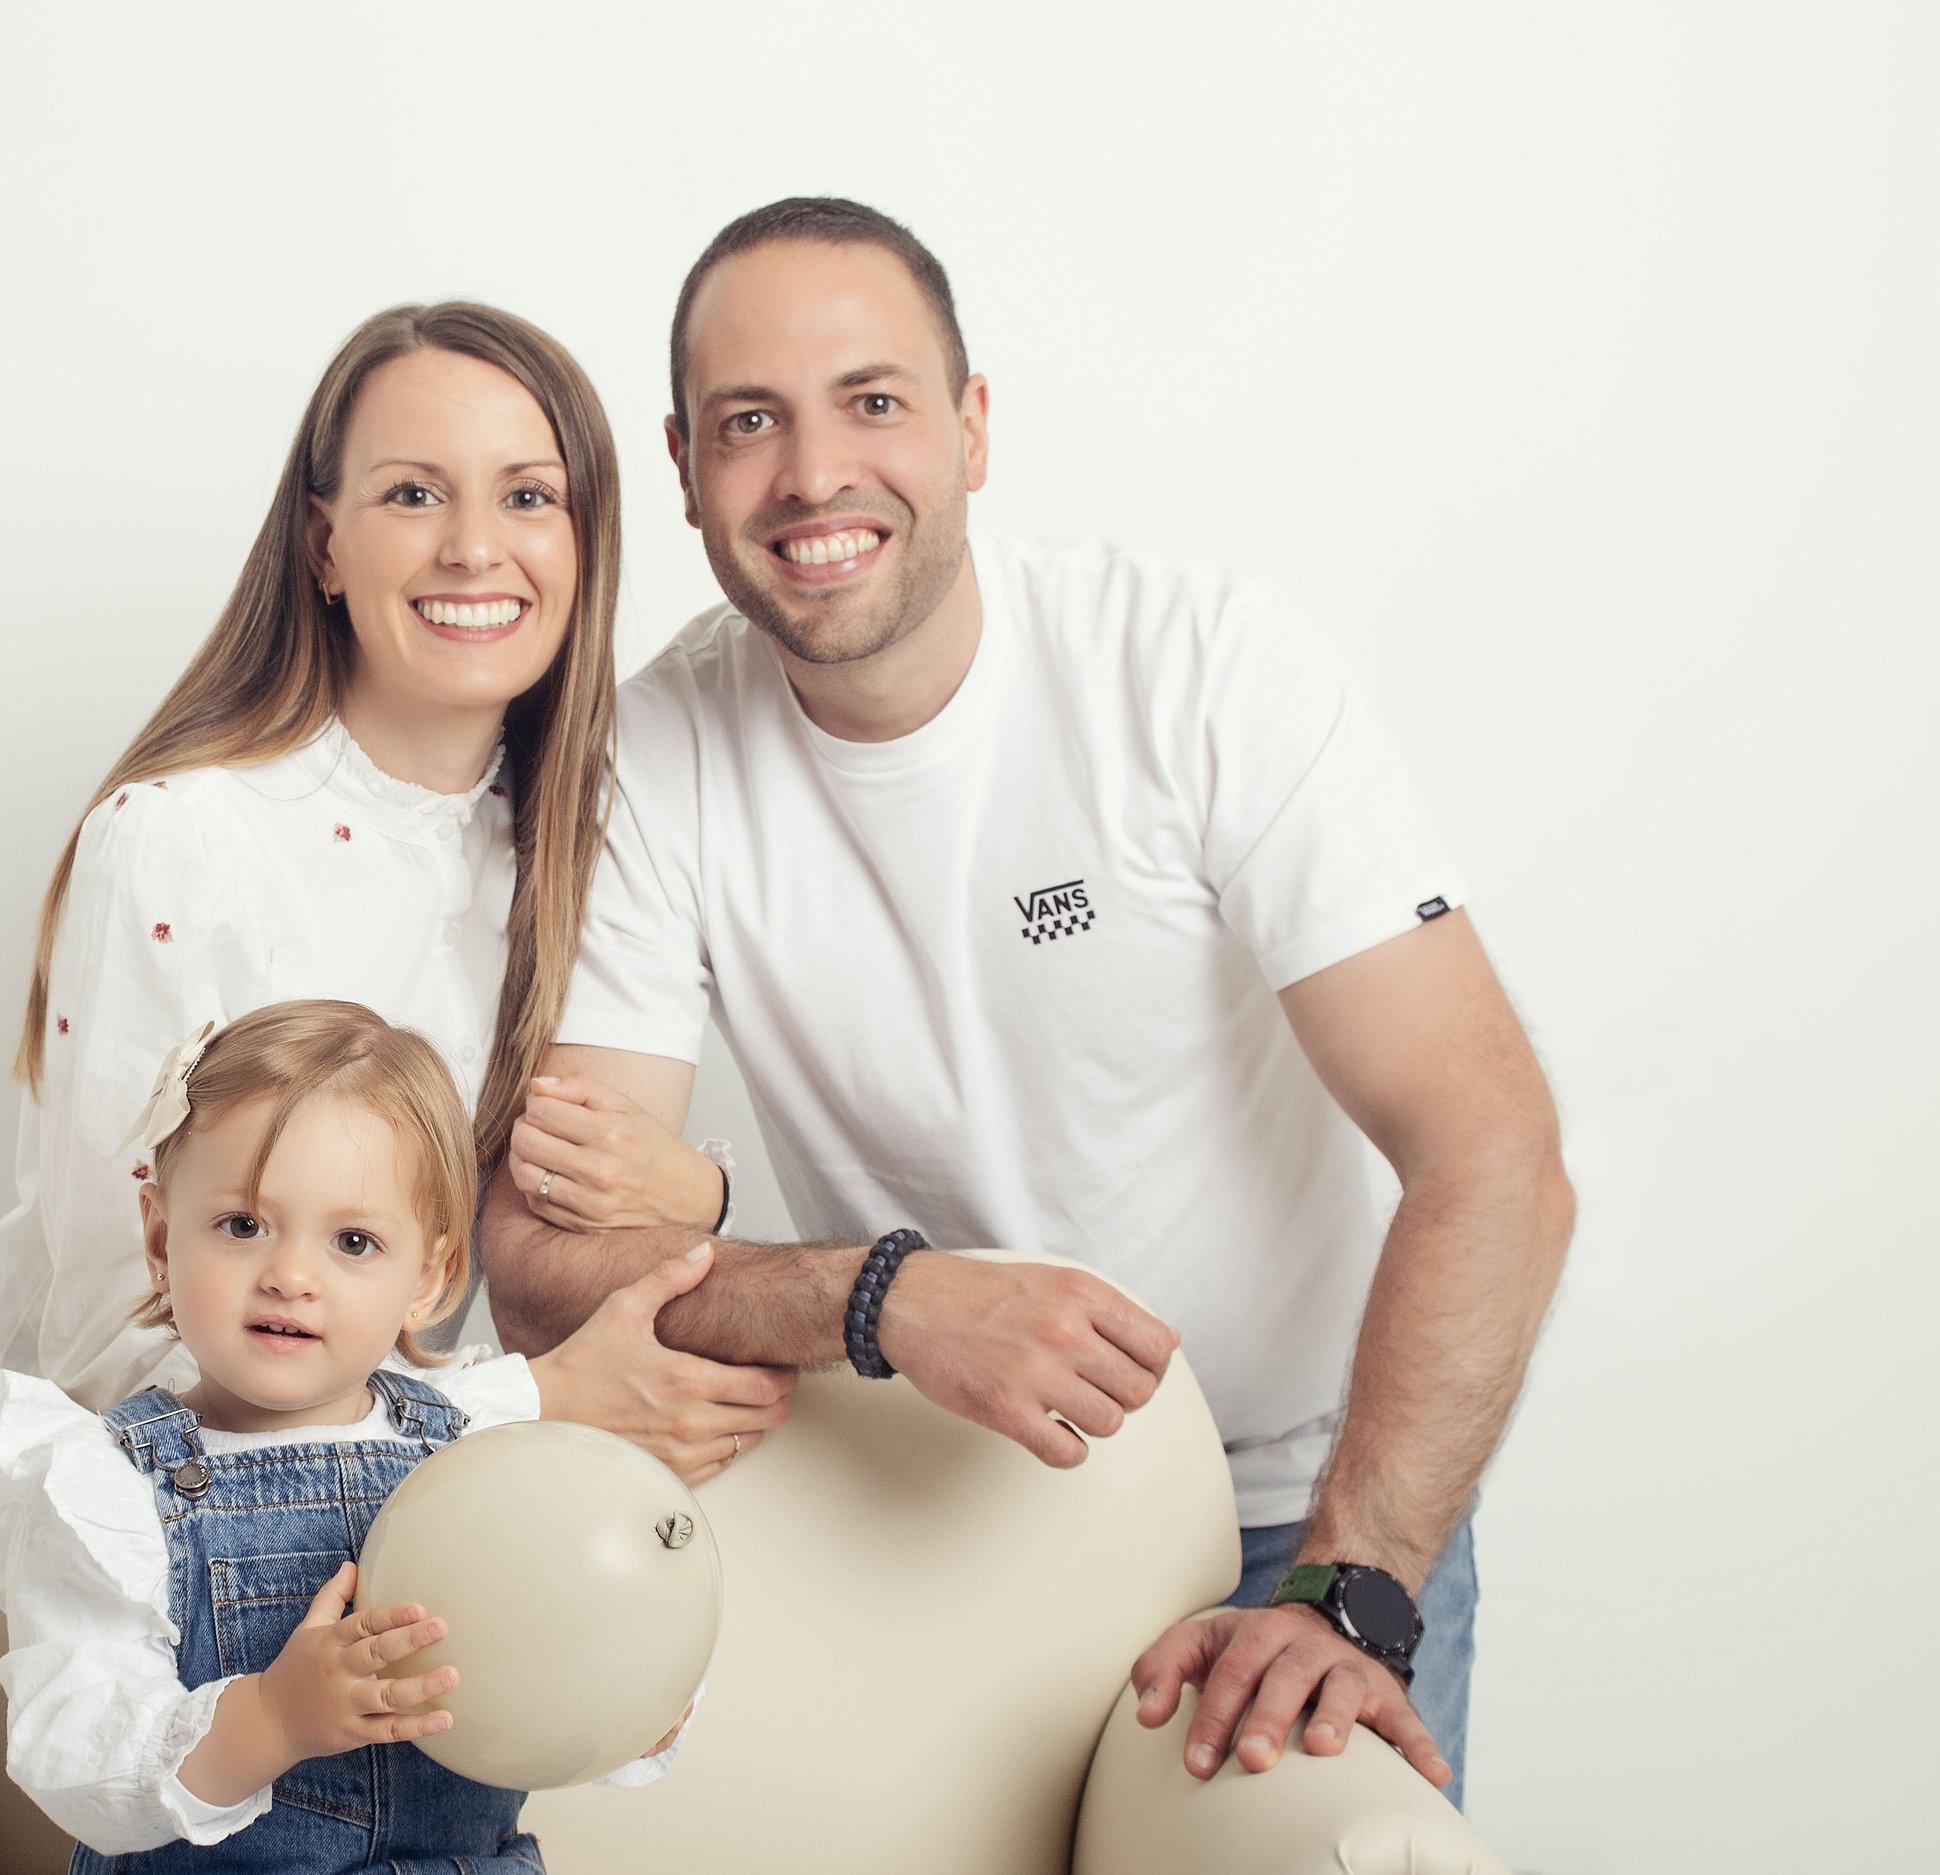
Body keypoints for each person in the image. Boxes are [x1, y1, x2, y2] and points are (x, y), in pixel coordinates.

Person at [482, 198, 1576, 1808]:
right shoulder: (658, 755)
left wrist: (1356, 1580)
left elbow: (1494, 1150)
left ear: (974, 427)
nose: (812, 475)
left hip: (1301, 1519)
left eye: (873, 400)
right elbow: (540, 1267)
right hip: (945, 1521)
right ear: (684, 464)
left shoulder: (1201, 670)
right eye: (748, 423)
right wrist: (888, 1296)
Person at [0, 300, 790, 1480]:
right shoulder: (179, 841)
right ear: (324, 545)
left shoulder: (587, 847)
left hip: (358, 1460)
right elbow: (113, 1353)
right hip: (98, 1481)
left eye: (528, 496)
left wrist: (703, 1199)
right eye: (414, 494)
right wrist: (523, 1402)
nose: (475, 548)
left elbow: (564, 1236)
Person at [0, 1001, 693, 1872]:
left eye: (353, 1240)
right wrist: (269, 1720)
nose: (292, 1276)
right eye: (243, 1225)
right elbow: (75, 1755)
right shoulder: (108, 1488)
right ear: (161, 1242)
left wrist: (632, 1699)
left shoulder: (479, 1455)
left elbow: (558, 1640)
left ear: (430, 1276)